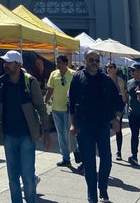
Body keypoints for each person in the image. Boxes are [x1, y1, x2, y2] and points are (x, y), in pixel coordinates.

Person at [0, 50, 50, 203]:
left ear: (17, 64)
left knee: (28, 176)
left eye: (8, 62)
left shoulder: (30, 82)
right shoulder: (2, 81)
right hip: (8, 135)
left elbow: (41, 107)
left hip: (26, 136)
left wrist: (47, 133)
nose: (5, 65)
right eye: (5, 62)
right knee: (12, 177)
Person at [68, 49, 123, 203]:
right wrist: (73, 124)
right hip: (84, 126)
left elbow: (118, 101)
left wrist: (116, 118)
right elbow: (72, 103)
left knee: (107, 159)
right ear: (85, 61)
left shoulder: (106, 80)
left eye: (97, 60)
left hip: (102, 125)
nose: (94, 62)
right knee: (89, 162)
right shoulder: (77, 78)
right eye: (91, 59)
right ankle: (92, 194)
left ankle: (103, 188)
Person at [45, 54, 77, 166]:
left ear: (65, 63)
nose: (57, 64)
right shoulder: (53, 74)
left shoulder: (73, 74)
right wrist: (45, 104)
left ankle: (77, 151)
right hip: (56, 108)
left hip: (68, 109)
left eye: (59, 62)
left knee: (69, 133)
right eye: (56, 62)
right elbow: (49, 90)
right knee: (61, 134)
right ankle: (65, 157)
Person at [105, 62, 129, 160]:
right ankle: (107, 150)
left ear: (115, 69)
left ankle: (118, 151)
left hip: (117, 107)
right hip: (107, 106)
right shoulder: (104, 79)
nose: (108, 69)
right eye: (107, 67)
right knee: (106, 129)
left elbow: (124, 95)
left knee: (117, 129)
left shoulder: (119, 80)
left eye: (110, 67)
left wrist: (123, 105)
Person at [126, 62, 140, 166]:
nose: (131, 72)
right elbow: (127, 95)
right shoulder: (129, 82)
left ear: (139, 71)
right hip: (132, 113)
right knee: (134, 135)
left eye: (133, 70)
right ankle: (134, 156)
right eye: (131, 70)